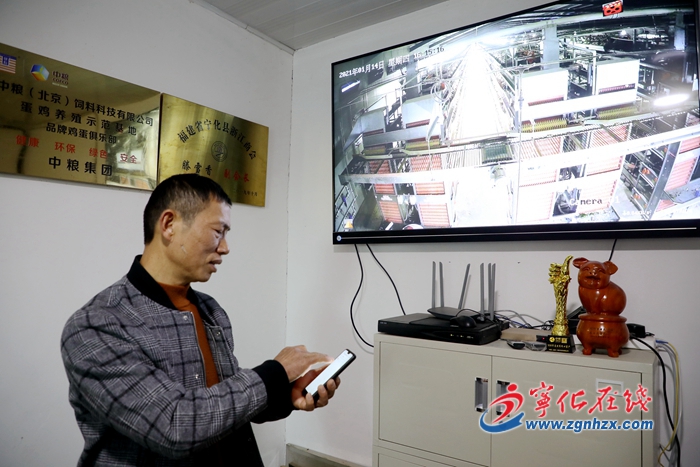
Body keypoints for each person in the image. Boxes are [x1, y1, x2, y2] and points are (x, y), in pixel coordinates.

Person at [61, 173, 339, 466]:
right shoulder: (96, 325)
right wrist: (275, 372)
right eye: (218, 231)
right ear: (169, 224)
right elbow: (174, 426)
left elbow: (221, 405)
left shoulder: (210, 310)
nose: (225, 247)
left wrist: (284, 394)